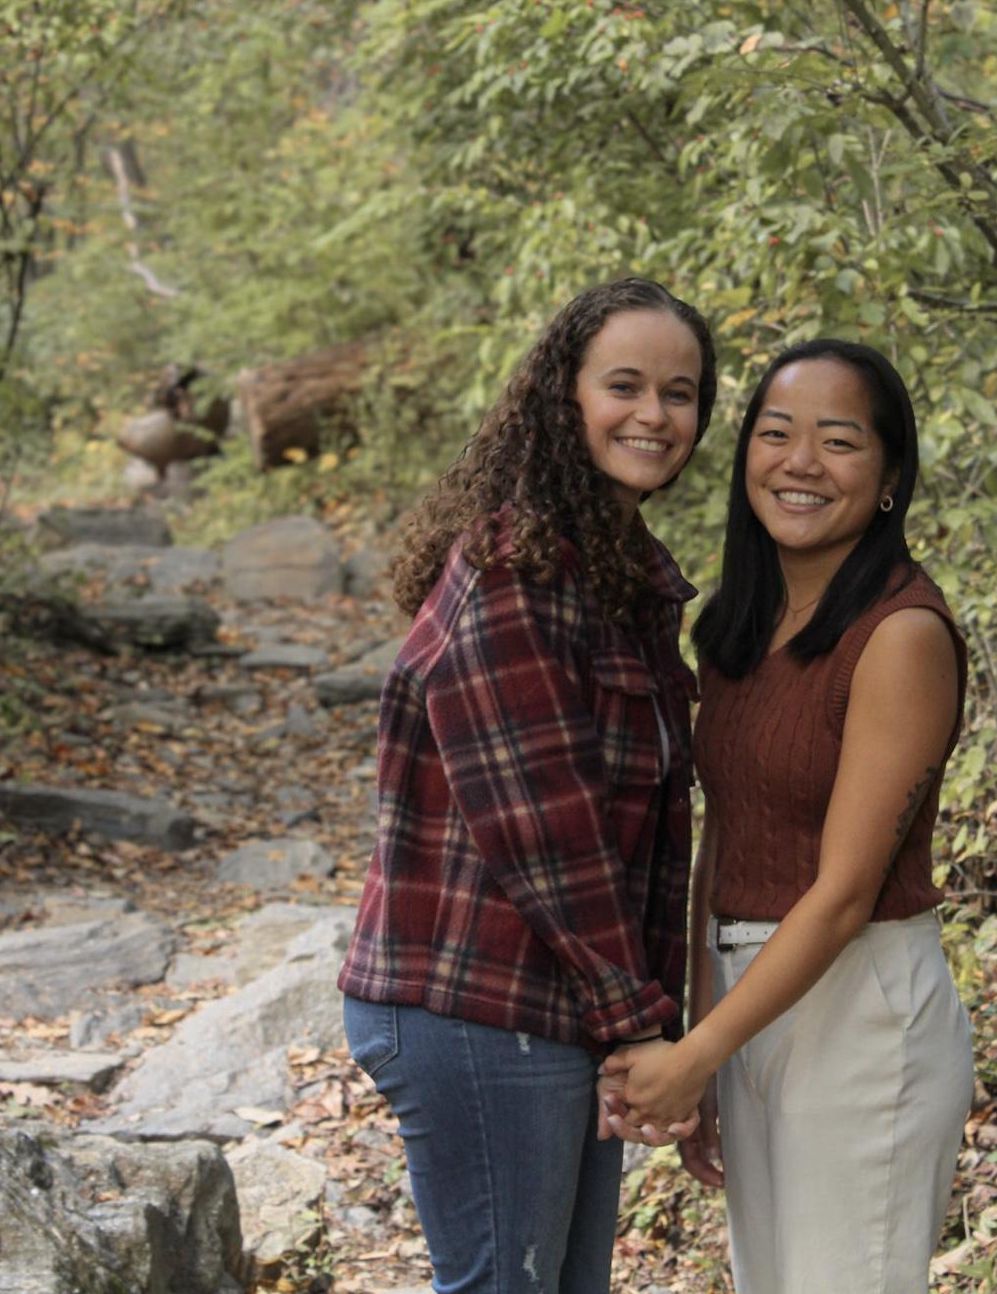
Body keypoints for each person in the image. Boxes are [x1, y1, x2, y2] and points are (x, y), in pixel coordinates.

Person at [338, 277, 717, 1293]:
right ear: (564, 397)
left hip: (556, 1001)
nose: (652, 414)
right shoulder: (515, 565)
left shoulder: (617, 573)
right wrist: (641, 1023)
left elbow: (638, 834)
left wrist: (643, 1021)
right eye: (624, 384)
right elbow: (542, 826)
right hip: (476, 1000)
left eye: (678, 393)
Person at [600, 338, 974, 1293]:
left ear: (890, 477)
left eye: (839, 441)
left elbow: (846, 892)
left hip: (860, 1015)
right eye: (776, 434)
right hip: (751, 1000)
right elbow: (719, 838)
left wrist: (696, 1054)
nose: (800, 463)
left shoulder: (900, 637)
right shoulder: (736, 628)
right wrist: (706, 1038)